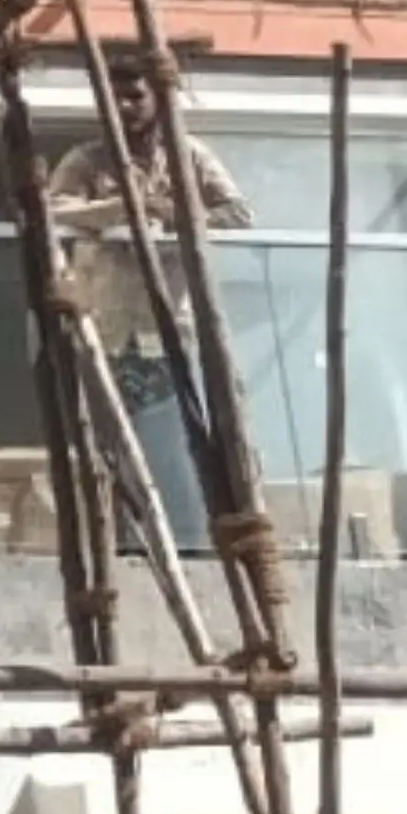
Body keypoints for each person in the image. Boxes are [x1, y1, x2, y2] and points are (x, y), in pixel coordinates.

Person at [43, 53, 251, 554]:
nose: (125, 107)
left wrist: (173, 214)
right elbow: (53, 211)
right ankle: (121, 544)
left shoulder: (189, 156)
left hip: (169, 329)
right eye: (114, 98)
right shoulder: (87, 159)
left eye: (135, 96)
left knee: (178, 446)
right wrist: (117, 210)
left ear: (157, 99)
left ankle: (190, 541)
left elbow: (238, 214)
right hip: (106, 330)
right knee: (109, 446)